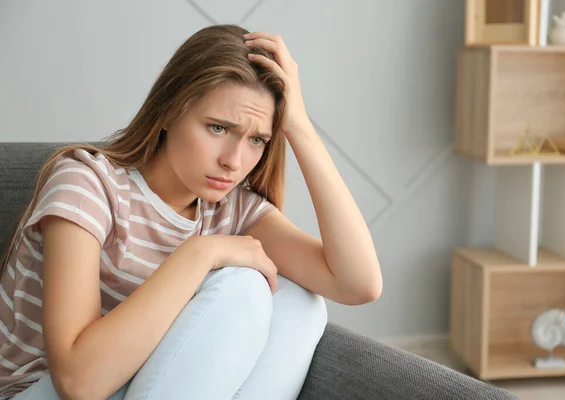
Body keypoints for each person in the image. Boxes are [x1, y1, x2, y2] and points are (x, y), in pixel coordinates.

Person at [0, 24, 382, 399]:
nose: (234, 161)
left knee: (302, 303)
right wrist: (202, 253)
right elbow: (78, 384)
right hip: (42, 390)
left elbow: (359, 283)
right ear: (168, 111)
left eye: (257, 140)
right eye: (218, 128)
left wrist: (299, 126)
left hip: (147, 383)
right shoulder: (87, 183)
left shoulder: (232, 212)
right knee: (246, 287)